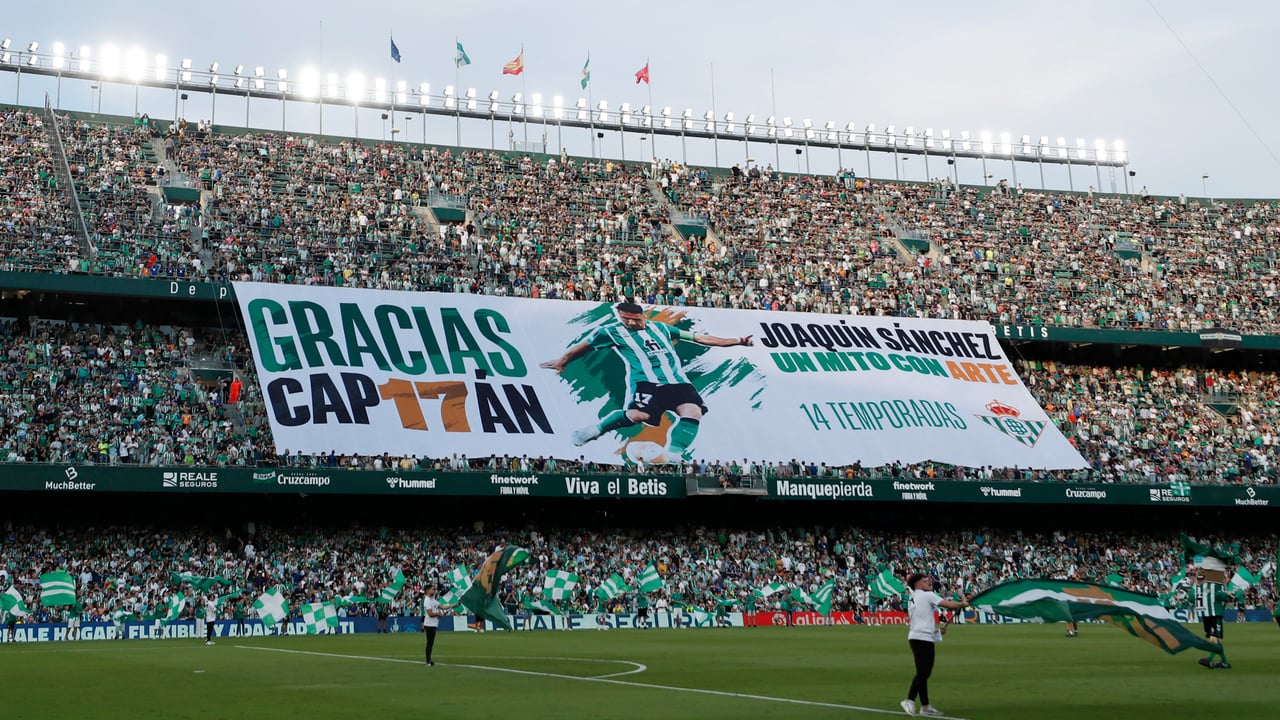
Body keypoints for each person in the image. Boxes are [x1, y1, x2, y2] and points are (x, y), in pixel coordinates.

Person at [540, 301, 753, 462]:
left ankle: (672, 455)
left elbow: (699, 338)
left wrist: (736, 341)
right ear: (620, 317)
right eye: (626, 319)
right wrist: (563, 361)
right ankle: (595, 430)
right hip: (646, 383)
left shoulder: (662, 328)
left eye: (636, 319)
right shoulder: (611, 332)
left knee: (694, 411)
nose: (631, 323)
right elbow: (585, 346)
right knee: (637, 416)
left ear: (644, 316)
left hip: (678, 382)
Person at [901, 573, 969, 718]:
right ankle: (909, 699)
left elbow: (921, 618)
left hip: (917, 636)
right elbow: (949, 605)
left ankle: (925, 706)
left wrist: (937, 631)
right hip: (922, 638)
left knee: (923, 673)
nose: (928, 583)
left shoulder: (914, 597)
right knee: (924, 672)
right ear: (918, 584)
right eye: (925, 581)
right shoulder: (927, 595)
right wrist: (962, 603)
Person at [421, 585, 456, 666]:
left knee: (431, 643)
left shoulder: (432, 600)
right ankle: (428, 660)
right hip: (429, 624)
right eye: (432, 589)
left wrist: (453, 605)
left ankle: (429, 659)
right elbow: (430, 614)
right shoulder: (427, 600)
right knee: (429, 643)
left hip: (433, 624)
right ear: (427, 591)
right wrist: (438, 614)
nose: (434, 591)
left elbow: (443, 607)